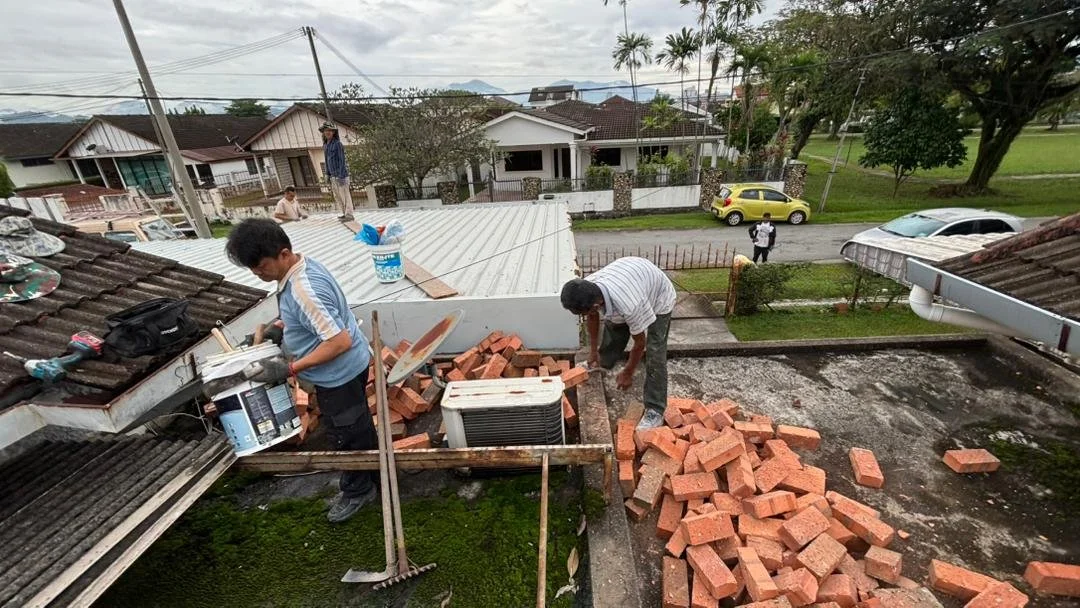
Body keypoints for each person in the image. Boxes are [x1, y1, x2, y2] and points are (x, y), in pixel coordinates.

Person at [225, 218, 376, 522]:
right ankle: (375, 473)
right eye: (251, 268)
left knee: (346, 436)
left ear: (282, 253)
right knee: (357, 426)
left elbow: (338, 341)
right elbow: (311, 319)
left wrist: (290, 368)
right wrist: (279, 328)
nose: (257, 272)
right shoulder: (300, 268)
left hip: (339, 375)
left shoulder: (304, 289)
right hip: (349, 368)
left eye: (261, 266)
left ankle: (360, 491)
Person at [560, 257, 676, 430]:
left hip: (659, 296)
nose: (585, 315)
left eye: (585, 312)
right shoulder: (588, 287)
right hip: (632, 277)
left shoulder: (630, 304)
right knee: (614, 324)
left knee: (655, 352)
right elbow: (592, 316)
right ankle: (603, 361)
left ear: (596, 304)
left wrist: (628, 372)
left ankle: (655, 409)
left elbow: (639, 343)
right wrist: (593, 351)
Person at [319, 122, 354, 221]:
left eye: (330, 130)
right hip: (332, 176)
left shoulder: (338, 144)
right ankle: (344, 213)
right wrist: (327, 174)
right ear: (324, 133)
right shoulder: (326, 145)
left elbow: (342, 160)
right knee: (338, 197)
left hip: (341, 175)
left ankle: (349, 215)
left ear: (333, 132)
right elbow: (326, 160)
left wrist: (341, 175)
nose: (328, 132)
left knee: (345, 196)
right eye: (326, 131)